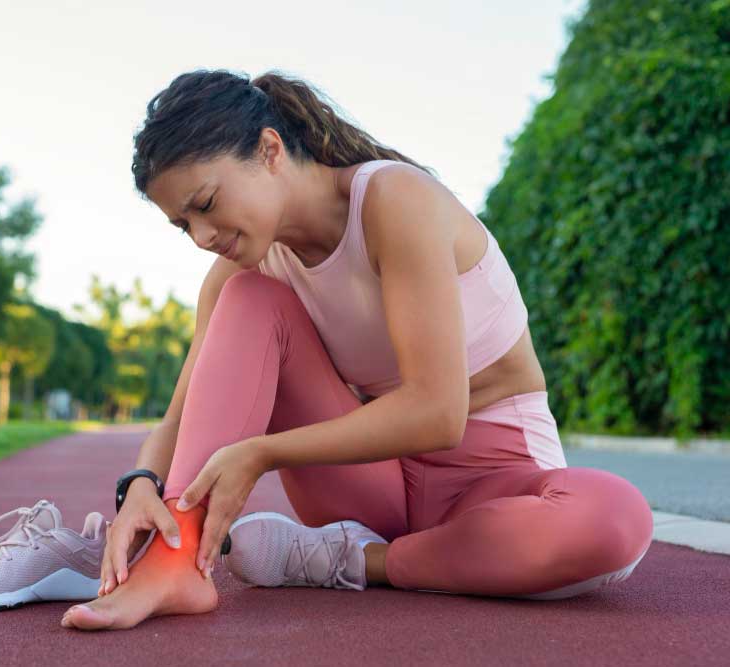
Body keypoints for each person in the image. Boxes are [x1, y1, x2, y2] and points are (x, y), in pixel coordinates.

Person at [53, 68, 656, 631]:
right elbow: (180, 418)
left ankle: (353, 562)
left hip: (496, 483)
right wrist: (141, 484)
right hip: (367, 489)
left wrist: (260, 453)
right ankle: (174, 564)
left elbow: (439, 414)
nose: (203, 238)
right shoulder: (245, 271)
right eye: (184, 225)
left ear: (269, 150)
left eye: (206, 205)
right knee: (246, 297)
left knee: (613, 520)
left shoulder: (395, 201)